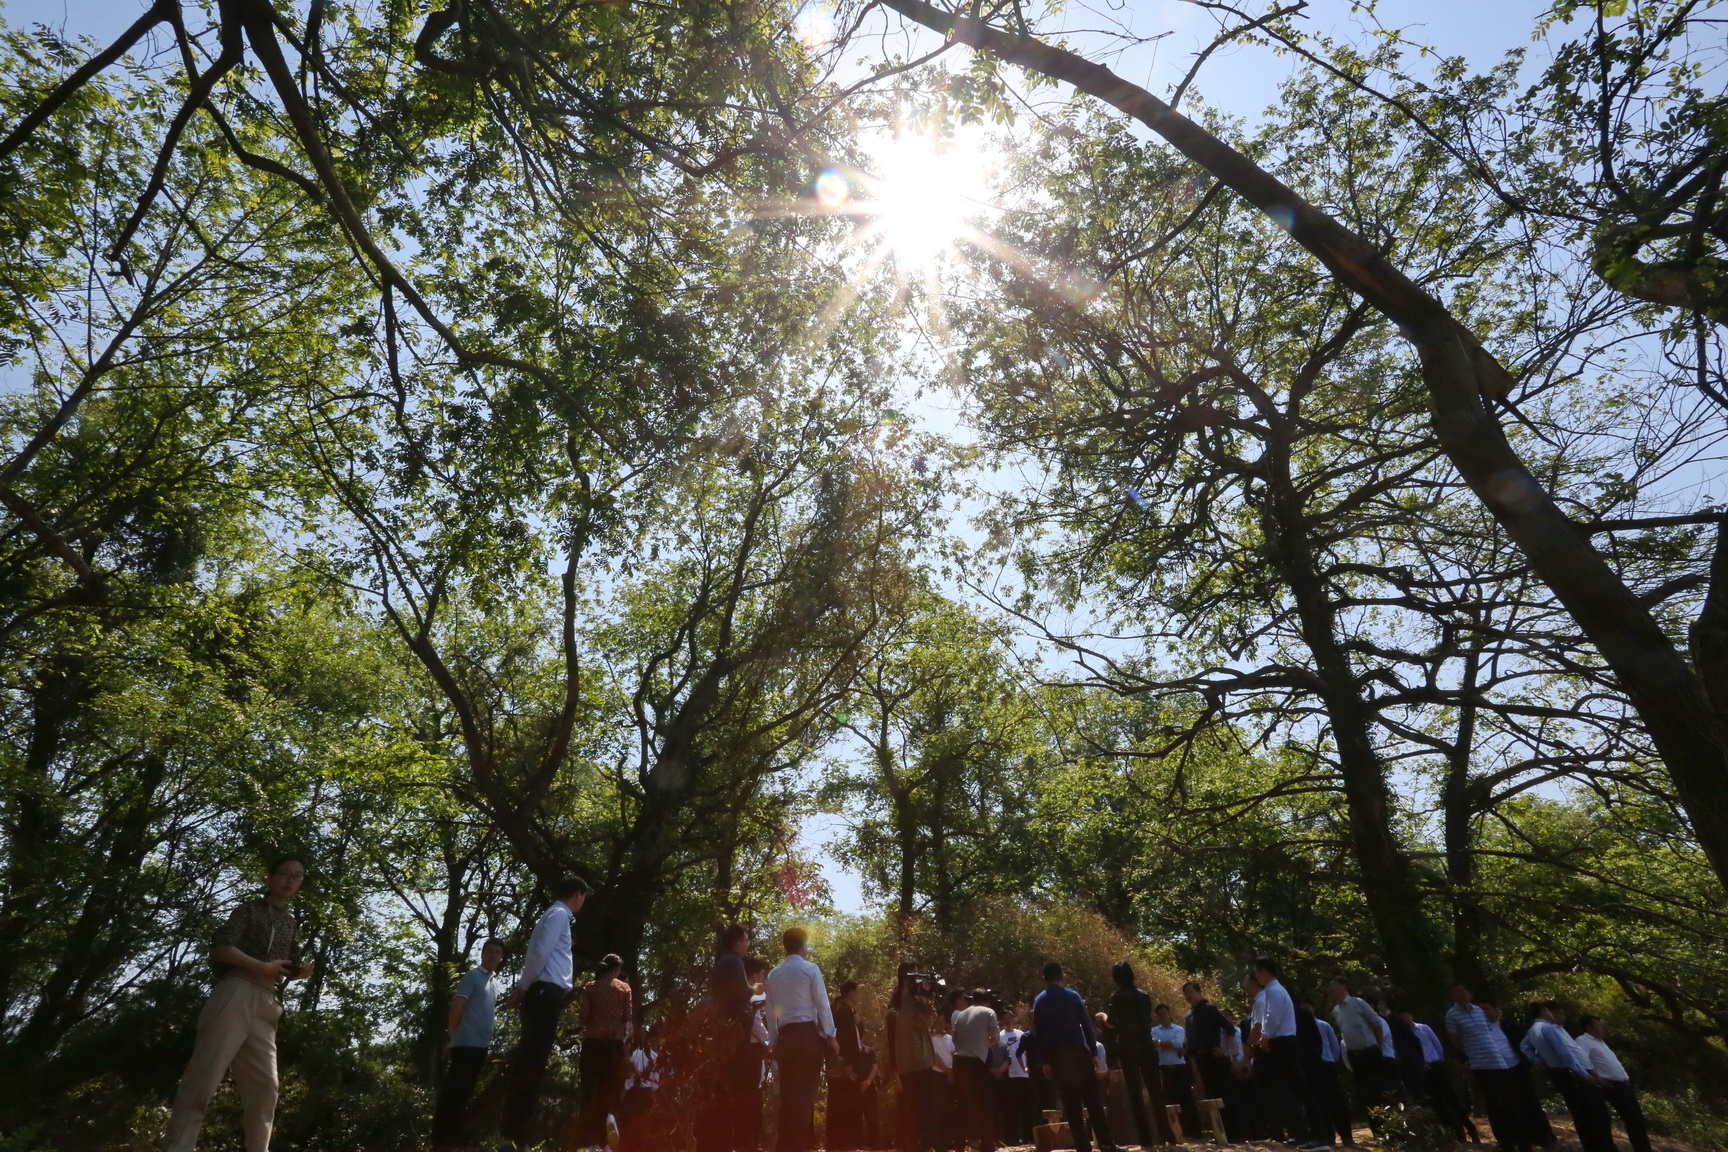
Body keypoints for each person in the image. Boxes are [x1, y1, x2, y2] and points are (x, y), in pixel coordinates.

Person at [165, 855, 315, 1152]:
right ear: (270, 878)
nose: (290, 880)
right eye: (284, 873)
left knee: (265, 1090)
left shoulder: (290, 923)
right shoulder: (247, 910)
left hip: (267, 1003)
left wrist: (300, 973)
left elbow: (287, 965)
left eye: (297, 876)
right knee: (203, 1080)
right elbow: (221, 949)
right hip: (235, 991)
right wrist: (262, 966)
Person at [501, 874, 590, 1150]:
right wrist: (524, 987)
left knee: (531, 1062)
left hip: (541, 993)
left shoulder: (553, 914)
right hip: (543, 993)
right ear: (577, 894)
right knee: (531, 1063)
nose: (583, 902)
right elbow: (539, 953)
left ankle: (515, 1132)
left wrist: (524, 988)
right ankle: (515, 1135)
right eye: (584, 897)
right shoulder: (559, 914)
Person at [1031, 961, 1122, 1152]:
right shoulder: (1072, 996)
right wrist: (1093, 1052)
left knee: (1071, 1104)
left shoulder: (1040, 1000)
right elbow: (1086, 1024)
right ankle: (1107, 1144)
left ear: (1044, 978)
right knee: (1093, 1100)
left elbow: (1038, 1033)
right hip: (1077, 1051)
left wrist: (1045, 1060)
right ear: (1061, 975)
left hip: (1056, 1055)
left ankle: (1082, 1146)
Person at [763, 927, 839, 1152]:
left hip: (785, 1038)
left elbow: (770, 1012)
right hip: (807, 1036)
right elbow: (822, 1004)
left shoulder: (773, 975)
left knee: (788, 1095)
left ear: (785, 947)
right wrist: (831, 1035)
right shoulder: (810, 969)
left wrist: (774, 1042)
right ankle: (798, 1145)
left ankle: (784, 1146)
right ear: (803, 946)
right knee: (804, 1097)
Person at [434, 937, 506, 1148]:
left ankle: (454, 1136)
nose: (493, 955)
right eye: (489, 951)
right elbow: (457, 1005)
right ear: (482, 954)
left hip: (481, 1045)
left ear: (501, 958)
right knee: (453, 1091)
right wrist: (452, 1033)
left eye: (497, 952)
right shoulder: (472, 976)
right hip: (465, 1043)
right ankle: (439, 1140)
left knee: (465, 1092)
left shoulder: (495, 981)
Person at [1248, 958, 1326, 1151]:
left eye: (1257, 973)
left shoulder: (1274, 991)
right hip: (1282, 1043)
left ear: (1265, 971)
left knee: (1301, 1090)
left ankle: (1319, 1137)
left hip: (1284, 1043)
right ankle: (1302, 1134)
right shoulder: (1274, 990)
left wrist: (1264, 1038)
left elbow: (1272, 1018)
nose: (1256, 977)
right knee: (1292, 1090)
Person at [1521, 1003, 1616, 1152]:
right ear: (1544, 1011)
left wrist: (1536, 1059)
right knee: (1595, 1113)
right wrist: (1583, 1074)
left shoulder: (1533, 1030)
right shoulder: (1548, 1028)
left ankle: (1592, 1146)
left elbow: (1524, 1046)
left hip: (1560, 1073)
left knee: (1581, 1115)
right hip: (1572, 1073)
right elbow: (1564, 1054)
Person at [699, 924, 755, 1152]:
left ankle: (720, 1141)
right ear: (736, 941)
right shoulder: (733, 961)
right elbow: (740, 992)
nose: (748, 942)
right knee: (734, 1087)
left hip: (725, 1030)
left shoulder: (724, 961)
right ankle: (726, 1142)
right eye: (746, 938)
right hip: (733, 1032)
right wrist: (755, 989)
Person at [574, 953, 633, 1147]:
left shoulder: (590, 987)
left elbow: (584, 1015)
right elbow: (627, 1016)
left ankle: (587, 1141)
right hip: (614, 1046)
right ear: (616, 970)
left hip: (592, 1044)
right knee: (608, 1091)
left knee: (589, 1091)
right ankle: (606, 1130)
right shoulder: (624, 988)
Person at [1110, 961, 1170, 1147]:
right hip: (1146, 1045)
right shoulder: (1144, 996)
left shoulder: (1116, 997)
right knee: (1156, 1092)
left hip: (1127, 1047)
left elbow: (1112, 1023)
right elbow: (1146, 1019)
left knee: (1135, 1094)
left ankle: (1145, 1140)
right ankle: (1167, 1136)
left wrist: (1103, 1018)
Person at [885, 962, 941, 1152]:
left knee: (915, 1108)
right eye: (916, 976)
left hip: (909, 1064)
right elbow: (924, 1022)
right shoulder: (908, 999)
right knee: (923, 1108)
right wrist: (925, 1000)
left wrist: (924, 997)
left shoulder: (904, 999)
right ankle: (922, 1146)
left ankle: (916, 1145)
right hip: (918, 1060)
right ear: (907, 979)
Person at [1573, 1016, 1649, 1152]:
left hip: (1622, 1084)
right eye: (1599, 1025)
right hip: (1610, 1085)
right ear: (1588, 1028)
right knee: (1631, 1119)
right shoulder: (1583, 1040)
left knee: (1637, 1119)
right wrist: (1597, 1079)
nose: (1603, 1028)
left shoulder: (1601, 1042)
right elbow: (1582, 1060)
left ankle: (1643, 1148)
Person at [1326, 975, 1387, 1122]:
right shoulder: (1336, 1010)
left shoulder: (1358, 1003)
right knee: (1364, 1094)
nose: (1331, 989)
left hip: (1370, 1052)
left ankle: (1390, 1127)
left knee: (1379, 1090)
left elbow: (1376, 1023)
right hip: (1355, 1056)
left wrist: (1376, 1044)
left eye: (1333, 985)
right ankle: (1376, 1130)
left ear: (1344, 986)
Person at [1411, 1013, 1477, 1143]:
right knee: (1437, 1104)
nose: (1404, 1019)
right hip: (1423, 1071)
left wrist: (1439, 1062)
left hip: (1436, 1066)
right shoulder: (1403, 1035)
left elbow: (1437, 1045)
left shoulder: (1423, 1028)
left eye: (1406, 1016)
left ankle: (1471, 1130)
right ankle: (1456, 1134)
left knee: (1452, 1099)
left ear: (1410, 1016)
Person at [1296, 998, 1351, 1148]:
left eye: (1308, 1007)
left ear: (1313, 1008)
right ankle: (1328, 1136)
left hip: (1327, 1065)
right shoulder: (1299, 1027)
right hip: (1312, 1067)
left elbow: (1334, 1045)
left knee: (1336, 1100)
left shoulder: (1323, 1025)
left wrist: (1331, 1061)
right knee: (1319, 1102)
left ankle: (1346, 1135)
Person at [952, 987, 1001, 1152]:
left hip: (958, 1062)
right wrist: (983, 1041)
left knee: (963, 1104)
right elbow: (995, 1038)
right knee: (985, 1104)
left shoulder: (961, 1014)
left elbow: (955, 1039)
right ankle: (987, 1144)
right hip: (975, 1063)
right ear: (987, 1001)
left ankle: (959, 1144)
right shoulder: (989, 1012)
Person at [828, 980, 876, 1151]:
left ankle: (846, 1141)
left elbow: (858, 1035)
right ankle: (840, 1142)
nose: (859, 996)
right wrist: (846, 1064)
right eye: (858, 992)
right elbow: (843, 1040)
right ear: (851, 993)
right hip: (844, 1064)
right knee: (842, 1103)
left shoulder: (850, 1012)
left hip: (851, 1062)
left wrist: (859, 1020)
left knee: (849, 1102)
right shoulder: (841, 1012)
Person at [1183, 979, 1236, 1123]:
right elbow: (1189, 1042)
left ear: (1199, 992)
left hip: (1215, 1056)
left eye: (1191, 992)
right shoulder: (1188, 1016)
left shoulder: (1210, 1008)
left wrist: (1225, 1048)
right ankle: (1219, 1131)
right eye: (1186, 993)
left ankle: (1234, 1133)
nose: (1188, 995)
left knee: (1224, 1094)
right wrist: (1193, 1064)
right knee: (1210, 1095)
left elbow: (1230, 1029)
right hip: (1200, 1060)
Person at [1152, 1001, 1198, 1140]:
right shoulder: (1154, 1031)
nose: (1162, 1016)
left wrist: (1161, 1043)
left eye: (1164, 1013)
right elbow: (1154, 1046)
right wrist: (1170, 1045)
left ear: (1169, 1013)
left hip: (1180, 1068)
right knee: (1170, 1101)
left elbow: (1179, 1043)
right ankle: (1176, 1132)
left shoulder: (1178, 1029)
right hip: (1164, 1068)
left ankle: (1194, 1132)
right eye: (1159, 1014)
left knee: (1186, 1100)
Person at [617, 1027, 660, 1152]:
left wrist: (624, 1093)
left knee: (634, 1130)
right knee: (639, 1131)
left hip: (638, 1094)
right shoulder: (648, 1056)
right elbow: (654, 1081)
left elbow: (629, 1081)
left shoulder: (644, 1056)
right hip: (641, 1094)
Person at [997, 1008, 1033, 1146]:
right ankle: (1012, 1138)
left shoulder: (1020, 1034)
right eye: (1004, 1018)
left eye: (1009, 1017)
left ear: (1013, 1019)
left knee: (1026, 1107)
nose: (1007, 1020)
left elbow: (1026, 1052)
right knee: (1011, 1109)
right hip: (1009, 1076)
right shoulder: (1000, 1036)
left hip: (1023, 1074)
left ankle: (1028, 1136)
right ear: (1001, 1021)